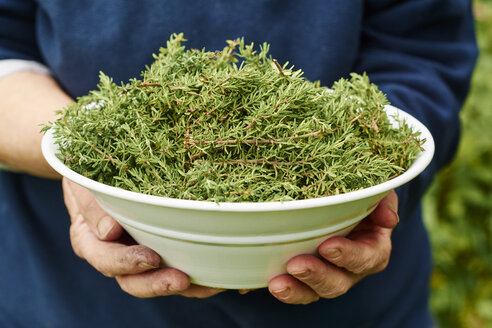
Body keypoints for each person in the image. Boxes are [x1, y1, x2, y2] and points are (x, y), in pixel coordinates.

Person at [0, 1, 477, 327]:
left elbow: (424, 50)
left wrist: (375, 192)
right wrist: (79, 165)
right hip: (68, 303)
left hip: (357, 308)